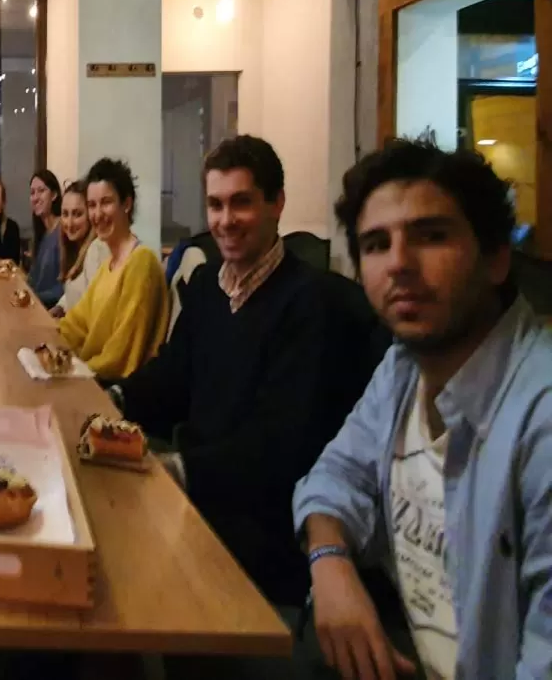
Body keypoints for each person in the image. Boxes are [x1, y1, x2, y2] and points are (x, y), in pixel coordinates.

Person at [294, 138, 552, 680]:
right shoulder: (403, 368)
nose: (400, 265)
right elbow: (334, 474)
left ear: (497, 256)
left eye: (431, 236)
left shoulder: (540, 418)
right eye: (375, 245)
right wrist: (330, 563)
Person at [109, 136, 388, 616]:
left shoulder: (309, 304)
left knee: (112, 577)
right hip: (199, 502)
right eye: (215, 205)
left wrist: (180, 471)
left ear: (277, 203)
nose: (225, 220)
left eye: (241, 202)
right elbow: (171, 381)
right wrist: (111, 398)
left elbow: (280, 444)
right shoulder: (206, 287)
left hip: (257, 532)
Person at [59, 158, 168, 377]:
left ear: (126, 204)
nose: (97, 214)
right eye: (92, 205)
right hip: (90, 375)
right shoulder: (108, 264)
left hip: (110, 392)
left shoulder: (141, 262)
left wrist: (72, 373)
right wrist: (40, 339)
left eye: (106, 202)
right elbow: (77, 323)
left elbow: (120, 359)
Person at [50, 179, 105, 318]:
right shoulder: (74, 247)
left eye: (77, 214)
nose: (69, 223)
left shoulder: (97, 249)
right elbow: (74, 293)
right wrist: (59, 307)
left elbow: (94, 310)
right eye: (65, 214)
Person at [26, 169, 64, 306]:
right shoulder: (41, 234)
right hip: (36, 307)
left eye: (41, 191)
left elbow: (64, 288)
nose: (35, 198)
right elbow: (33, 278)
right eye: (32, 193)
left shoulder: (63, 230)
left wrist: (33, 296)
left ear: (54, 195)